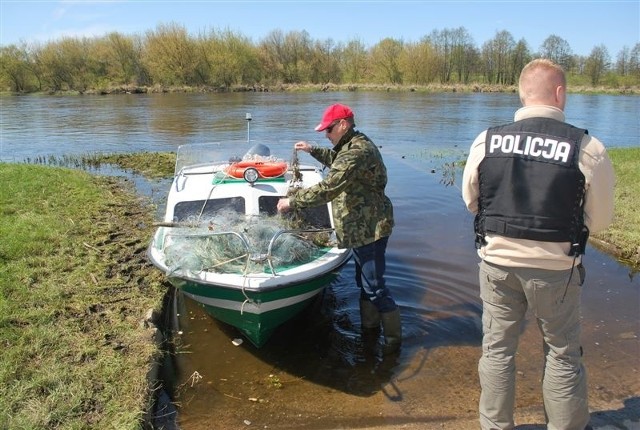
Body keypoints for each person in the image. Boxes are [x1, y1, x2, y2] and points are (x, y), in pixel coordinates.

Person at [462, 58, 615, 430]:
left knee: (497, 351)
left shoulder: (487, 140)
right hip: (557, 271)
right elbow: (602, 219)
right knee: (563, 355)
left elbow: (471, 200)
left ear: (522, 93)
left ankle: (495, 426)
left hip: (497, 265)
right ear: (560, 93)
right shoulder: (586, 146)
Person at [277, 103, 401, 353]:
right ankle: (370, 331)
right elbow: (336, 159)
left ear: (343, 125)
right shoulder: (352, 144)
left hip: (370, 229)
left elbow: (329, 187)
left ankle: (393, 342)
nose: (326, 134)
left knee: (375, 287)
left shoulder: (356, 152)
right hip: (358, 228)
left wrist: (292, 201)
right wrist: (313, 151)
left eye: (329, 129)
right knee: (365, 284)